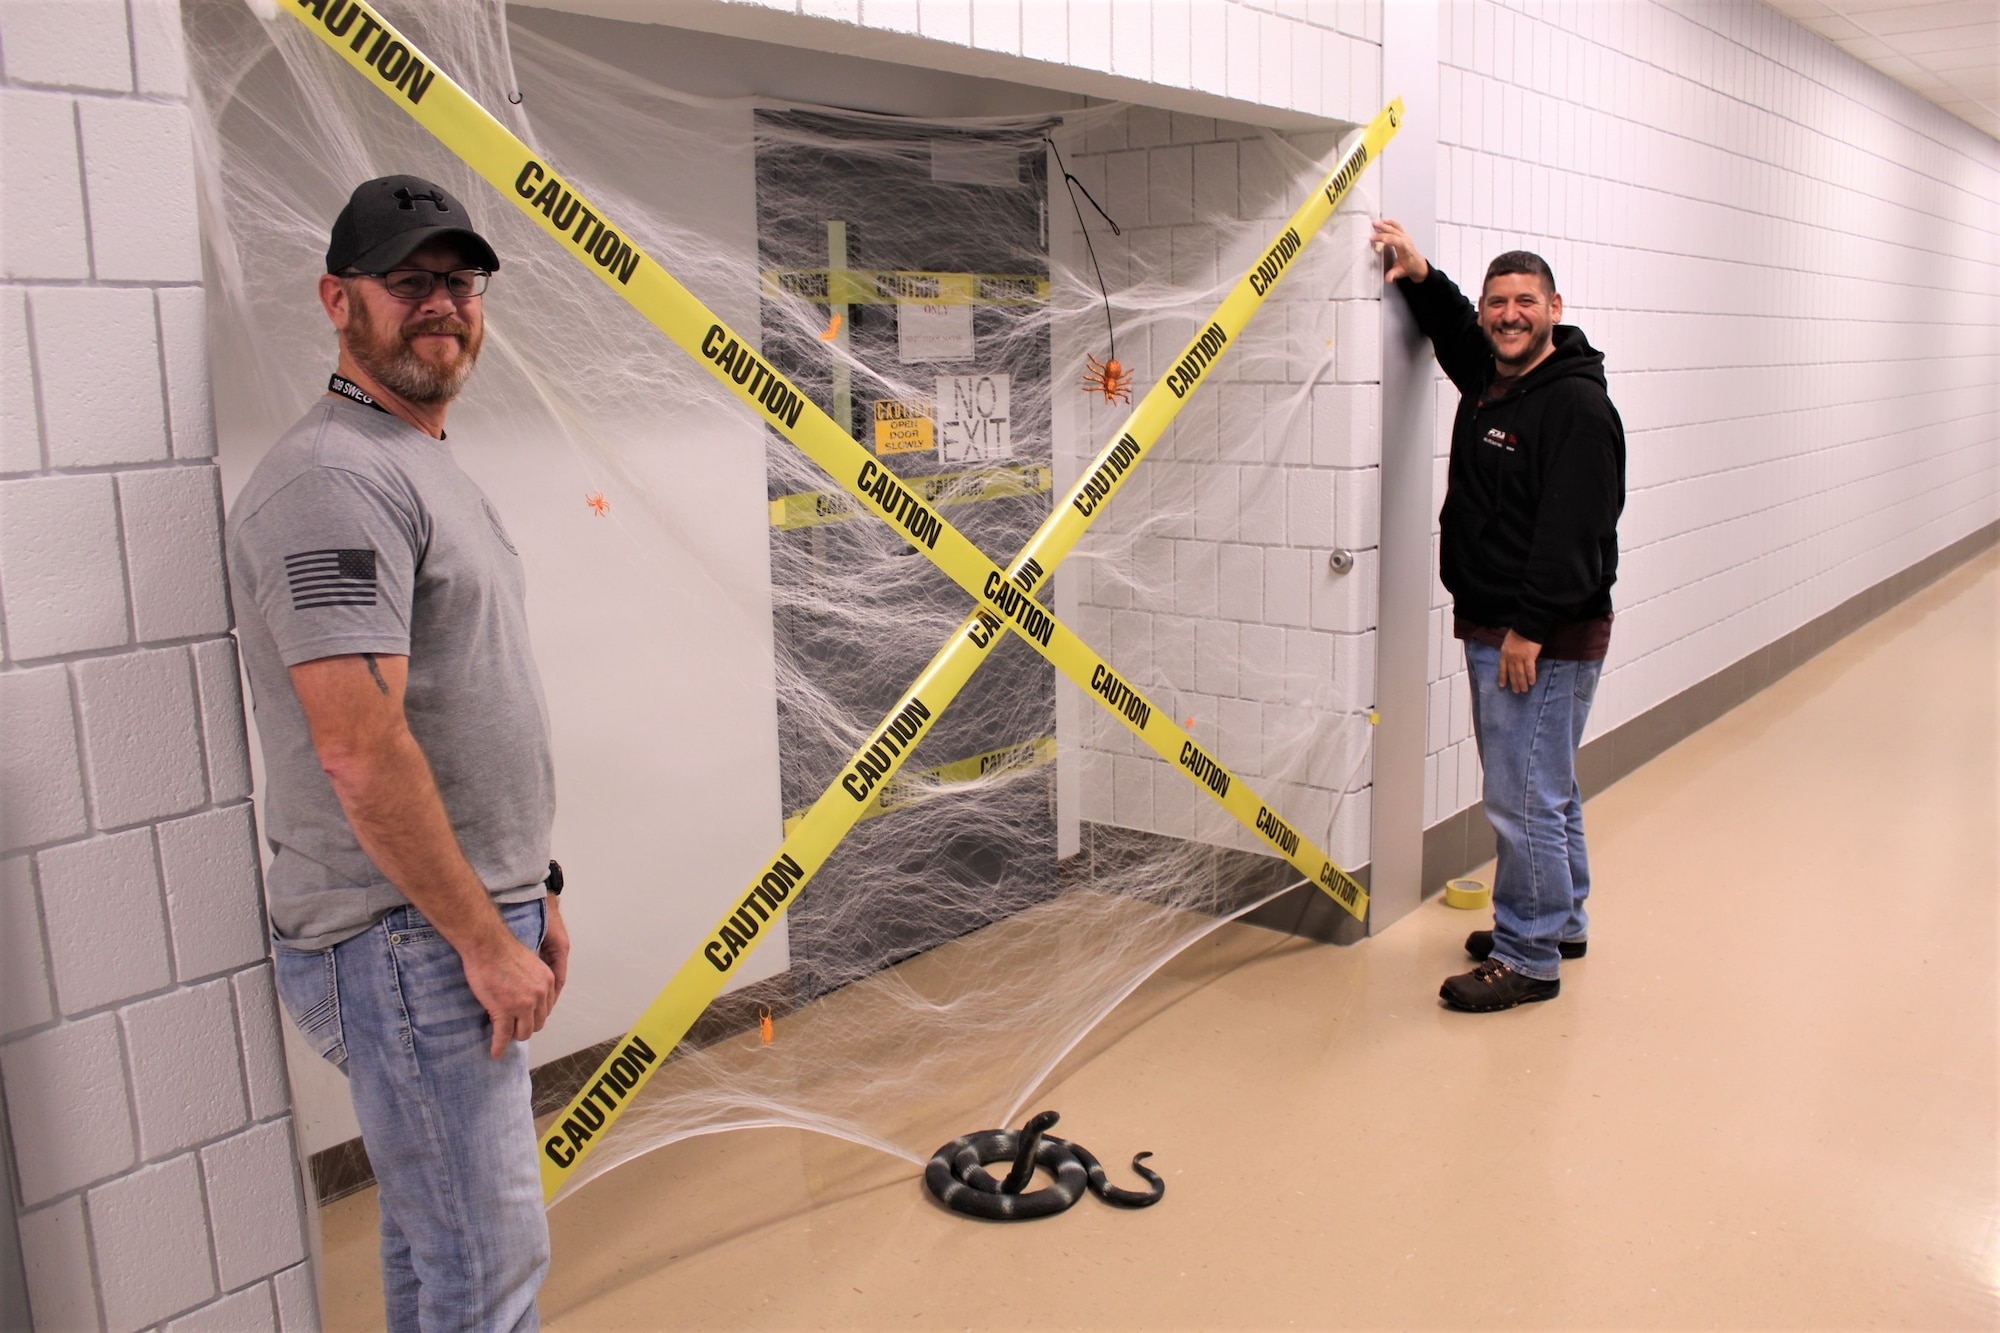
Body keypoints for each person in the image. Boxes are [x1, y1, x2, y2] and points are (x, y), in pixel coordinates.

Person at [227, 175, 567, 1329]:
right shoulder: (334, 478)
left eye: (459, 282)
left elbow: (466, 709)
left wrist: (534, 890)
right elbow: (360, 754)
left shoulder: (416, 457)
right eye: (410, 280)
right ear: (339, 300)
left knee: (440, 1257)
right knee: (488, 1270)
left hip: (455, 923)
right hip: (405, 941)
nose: (442, 304)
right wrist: (484, 935)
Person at [1371, 219, 1626, 1013]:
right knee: (1545, 787)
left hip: (1537, 637)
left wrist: (1528, 629)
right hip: (1508, 626)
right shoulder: (1495, 376)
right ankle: (1562, 922)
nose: (1509, 314)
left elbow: (1573, 531)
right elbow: (1452, 332)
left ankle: (1528, 956)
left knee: (1521, 797)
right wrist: (1419, 275)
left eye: (1525, 301)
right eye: (1496, 303)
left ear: (1556, 306)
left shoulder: (1577, 406)